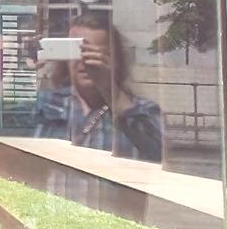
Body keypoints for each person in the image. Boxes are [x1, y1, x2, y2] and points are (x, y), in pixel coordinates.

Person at [33, 12, 164, 162]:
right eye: (78, 51)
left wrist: (110, 90)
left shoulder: (143, 111)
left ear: (114, 60)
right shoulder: (45, 104)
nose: (85, 61)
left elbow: (160, 154)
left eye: (96, 54)